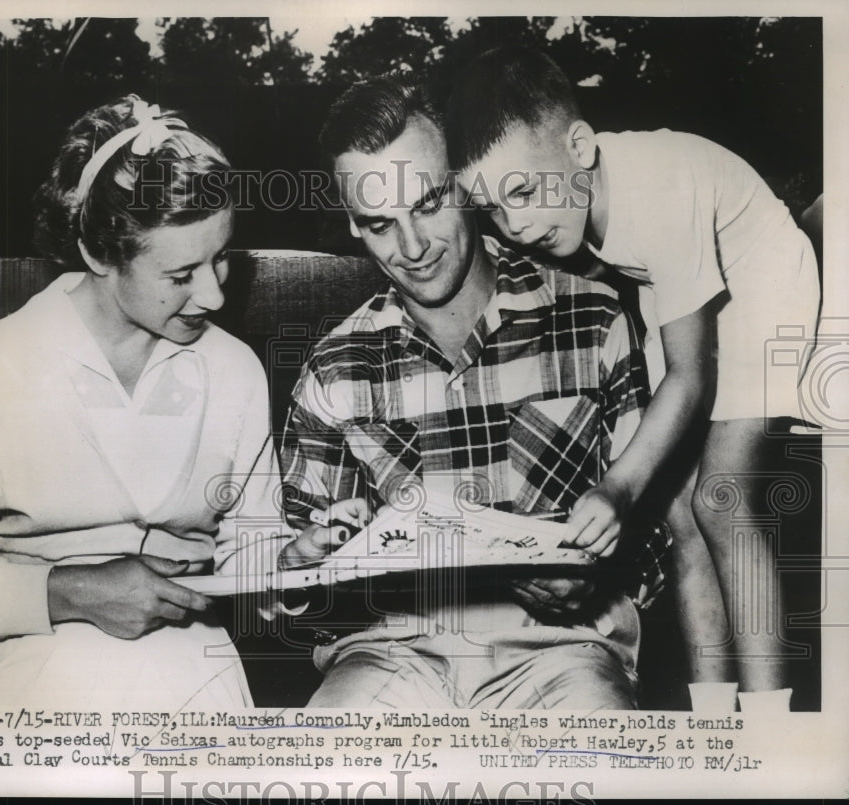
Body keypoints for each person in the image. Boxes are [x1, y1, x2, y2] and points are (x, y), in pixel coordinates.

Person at [0, 95, 291, 708]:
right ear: (99, 254)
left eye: (221, 257)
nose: (213, 296)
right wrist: (66, 591)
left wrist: (292, 563)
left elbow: (253, 558)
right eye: (180, 276)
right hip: (22, 659)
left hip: (187, 665)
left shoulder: (233, 370)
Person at [447, 46, 821, 711]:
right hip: (684, 280)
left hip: (762, 272)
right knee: (679, 513)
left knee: (724, 497)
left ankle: (773, 729)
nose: (515, 224)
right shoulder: (567, 189)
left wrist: (616, 488)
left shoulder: (656, 192)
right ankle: (713, 722)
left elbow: (690, 374)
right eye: (491, 209)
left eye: (524, 194)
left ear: (581, 146)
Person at [278, 76, 660, 709]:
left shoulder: (594, 321)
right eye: (380, 224)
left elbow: (658, 536)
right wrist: (308, 563)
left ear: (466, 184)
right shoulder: (333, 369)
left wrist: (599, 575)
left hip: (564, 651)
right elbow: (300, 587)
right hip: (389, 653)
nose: (413, 247)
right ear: (352, 224)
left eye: (428, 204)